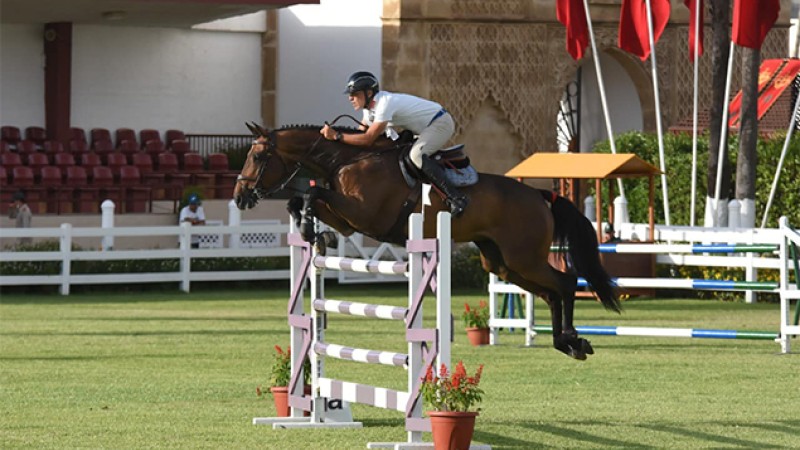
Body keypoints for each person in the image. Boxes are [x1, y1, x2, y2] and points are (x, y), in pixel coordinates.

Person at [320, 71, 468, 217]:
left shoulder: (384, 103)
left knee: (416, 156)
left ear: (369, 93)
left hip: (440, 123)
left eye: (355, 94)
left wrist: (337, 136)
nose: (351, 98)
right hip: (420, 128)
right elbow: (359, 135)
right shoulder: (368, 110)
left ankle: (456, 198)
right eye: (350, 95)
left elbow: (368, 138)